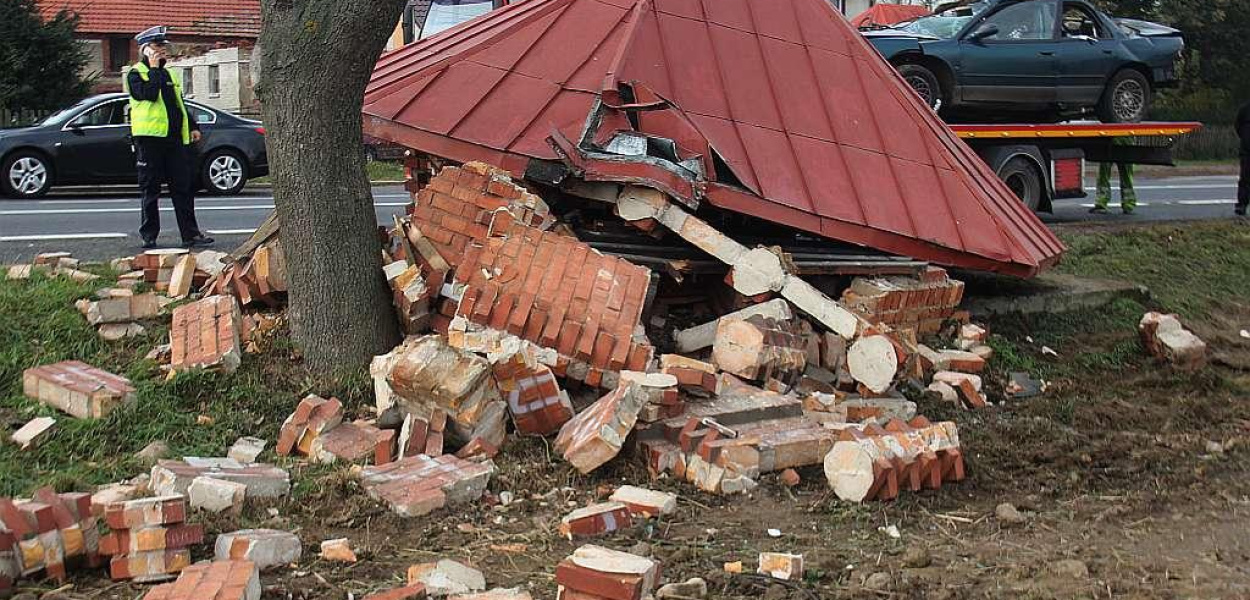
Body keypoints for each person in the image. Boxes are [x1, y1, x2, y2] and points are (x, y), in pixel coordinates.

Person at [124, 26, 213, 249]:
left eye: (163, 46)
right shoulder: (136, 74)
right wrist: (153, 68)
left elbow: (178, 104)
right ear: (145, 49)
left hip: (174, 139)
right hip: (149, 140)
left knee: (183, 188)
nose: (163, 50)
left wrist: (192, 125)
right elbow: (150, 95)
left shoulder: (170, 73)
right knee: (150, 189)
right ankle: (149, 235)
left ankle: (190, 234)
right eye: (157, 46)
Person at [1089, 137, 1137, 215]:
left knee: (1106, 172)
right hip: (1120, 138)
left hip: (1112, 138)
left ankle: (1102, 203)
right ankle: (1128, 204)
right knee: (1125, 173)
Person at [1237, 100, 1249, 216]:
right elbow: (1238, 126)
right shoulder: (1245, 109)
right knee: (1245, 179)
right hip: (1247, 150)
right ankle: (1242, 205)